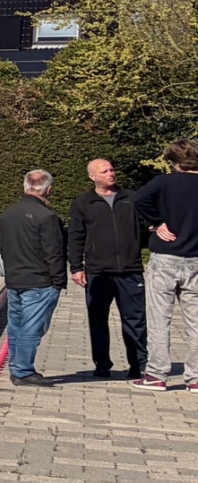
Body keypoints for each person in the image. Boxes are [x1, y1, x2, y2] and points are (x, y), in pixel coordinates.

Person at [69, 158, 149, 380]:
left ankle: (139, 365)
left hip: (130, 270)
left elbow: (149, 223)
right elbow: (75, 236)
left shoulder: (131, 198)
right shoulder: (83, 203)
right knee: (97, 319)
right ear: (92, 177)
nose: (110, 174)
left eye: (112, 169)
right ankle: (102, 364)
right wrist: (76, 267)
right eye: (104, 171)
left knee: (135, 319)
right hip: (98, 271)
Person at [133, 138, 198, 393]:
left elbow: (139, 199)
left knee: (160, 318)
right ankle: (195, 378)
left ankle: (156, 374)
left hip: (166, 257)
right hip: (196, 259)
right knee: (196, 321)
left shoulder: (164, 181)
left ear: (173, 162)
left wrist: (157, 222)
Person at [0, 169, 68, 386]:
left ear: (25, 187)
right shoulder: (47, 217)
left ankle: (16, 367)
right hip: (39, 281)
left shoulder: (7, 215)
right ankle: (23, 370)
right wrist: (58, 282)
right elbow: (53, 252)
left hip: (15, 279)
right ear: (48, 190)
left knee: (16, 325)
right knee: (32, 327)